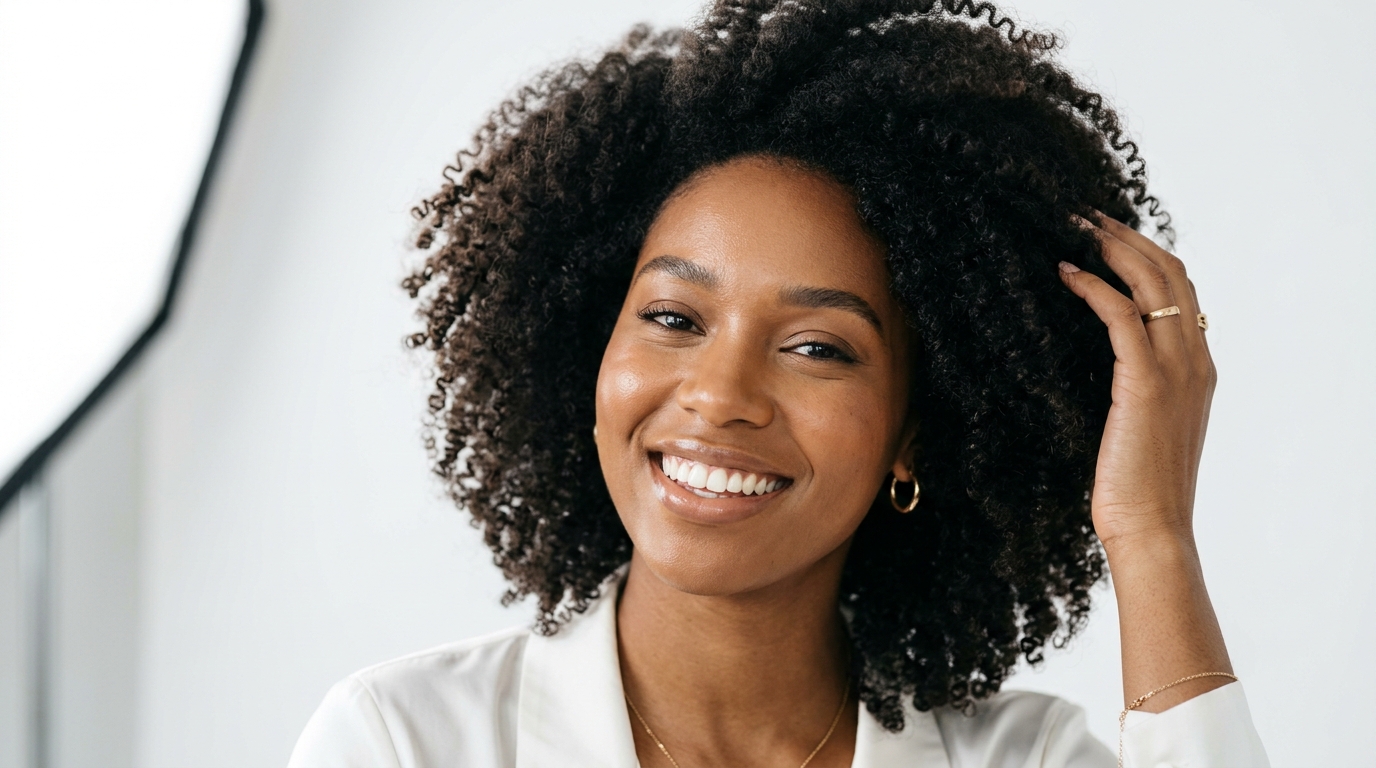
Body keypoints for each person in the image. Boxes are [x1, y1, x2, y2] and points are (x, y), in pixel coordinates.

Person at [289, 1, 1268, 766]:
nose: (718, 395)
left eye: (817, 347)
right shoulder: (401, 744)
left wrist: (1149, 537)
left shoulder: (1023, 760)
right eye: (673, 320)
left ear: (912, 434)